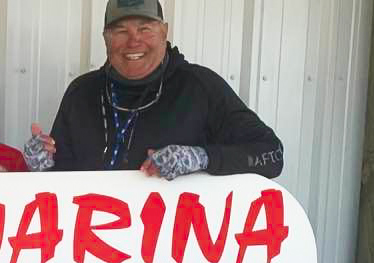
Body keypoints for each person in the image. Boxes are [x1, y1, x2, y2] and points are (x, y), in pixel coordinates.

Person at [24, 0, 283, 180]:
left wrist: (201, 158)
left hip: (175, 241)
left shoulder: (200, 86)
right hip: (93, 239)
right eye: (121, 31)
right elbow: (60, 181)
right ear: (106, 38)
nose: (134, 40)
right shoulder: (81, 92)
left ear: (164, 32)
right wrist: (43, 166)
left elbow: (272, 154)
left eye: (145, 29)